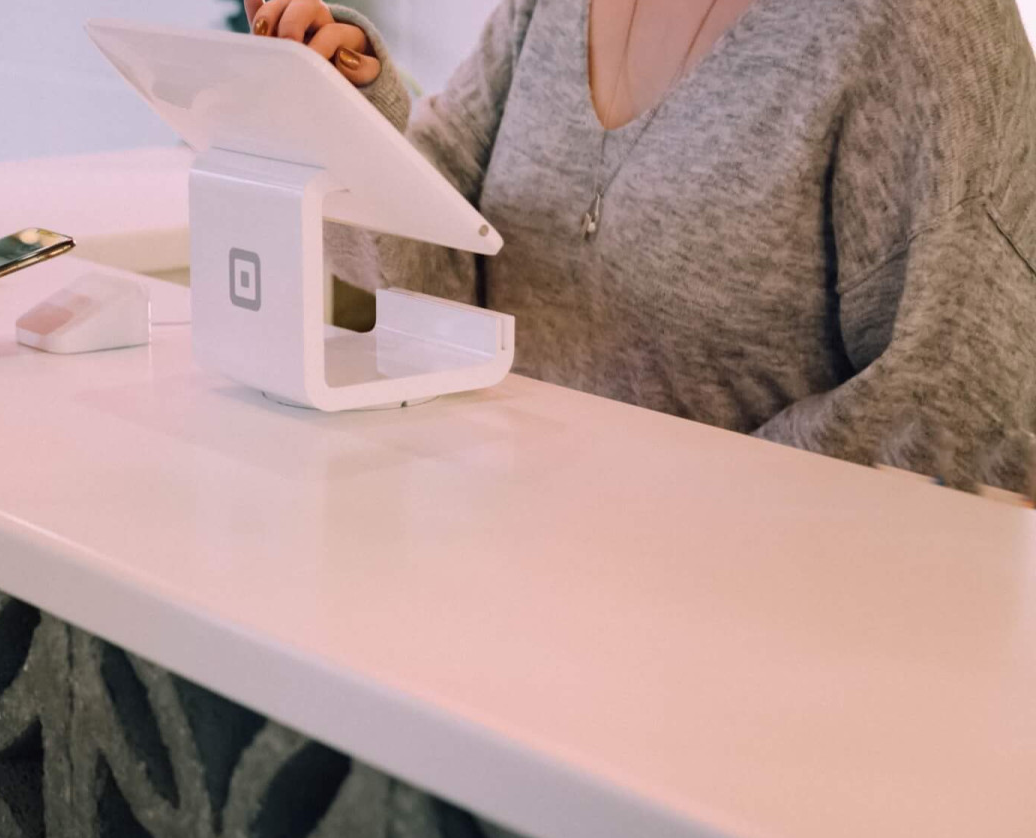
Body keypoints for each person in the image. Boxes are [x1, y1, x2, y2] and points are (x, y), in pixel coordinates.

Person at [250, 0, 1036, 496]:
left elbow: (944, 405)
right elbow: (434, 263)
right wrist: (340, 117)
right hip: (510, 568)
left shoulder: (924, 23)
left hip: (760, 640)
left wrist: (659, 519)